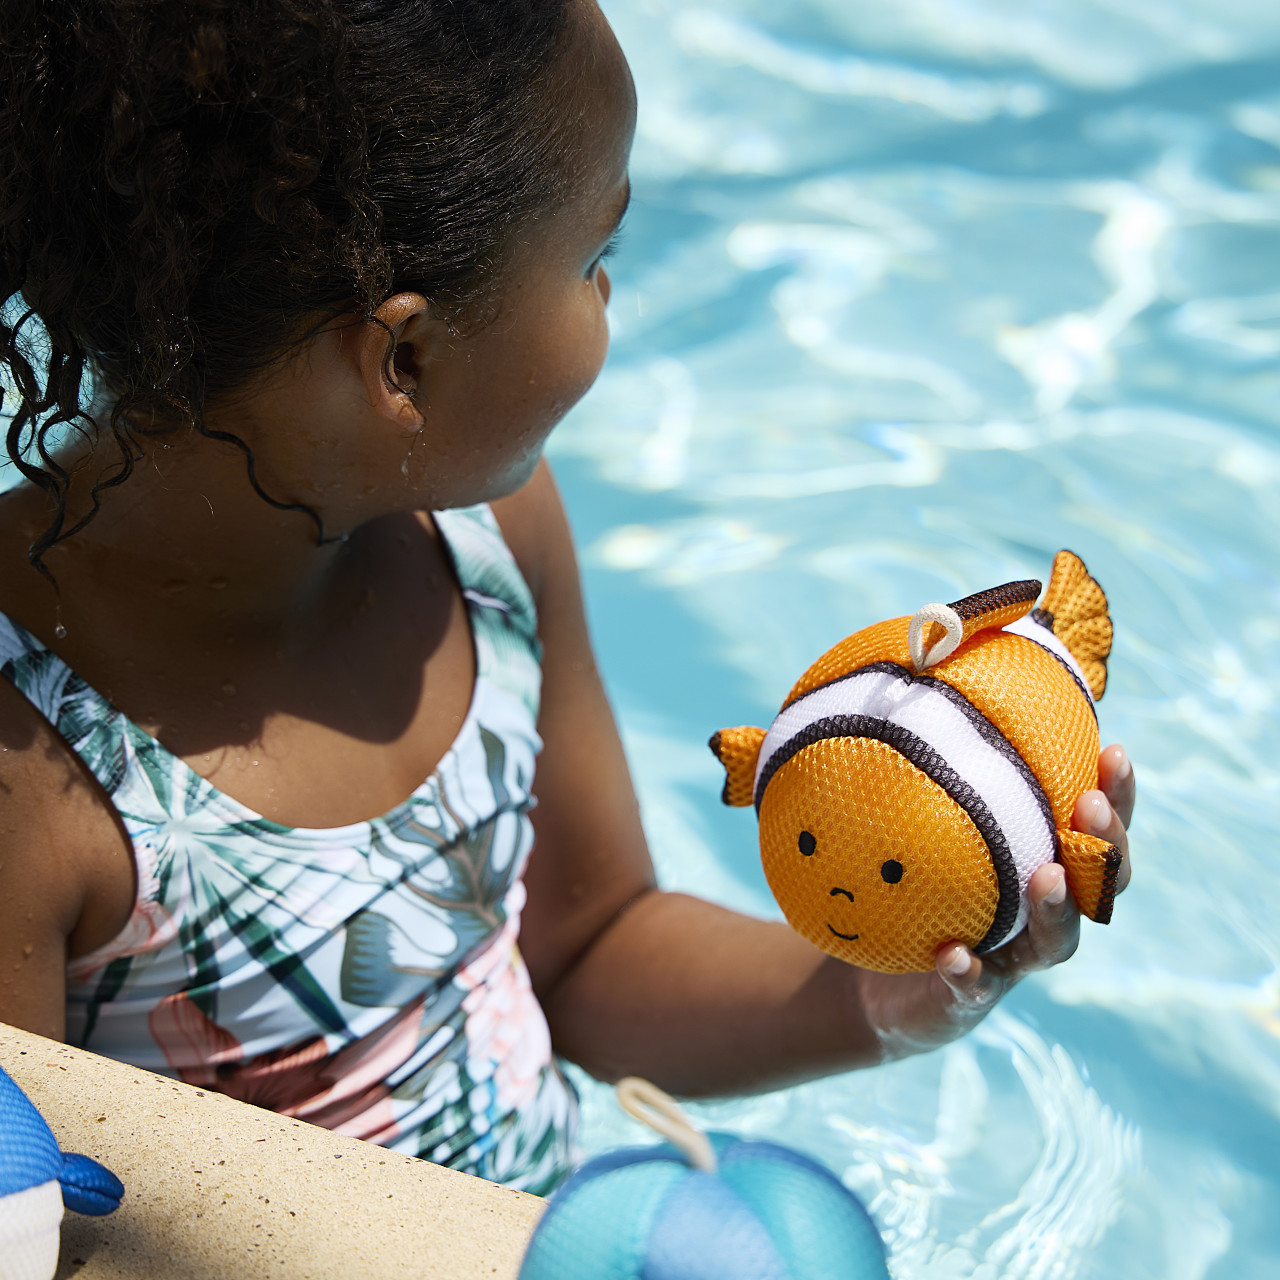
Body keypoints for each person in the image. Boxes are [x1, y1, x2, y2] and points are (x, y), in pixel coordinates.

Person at [0, 0, 1133, 1195]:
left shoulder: (488, 541)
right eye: (594, 261)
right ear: (404, 362)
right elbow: (35, 1229)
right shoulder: (29, 777)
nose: (607, 308)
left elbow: (586, 953)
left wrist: (885, 995)